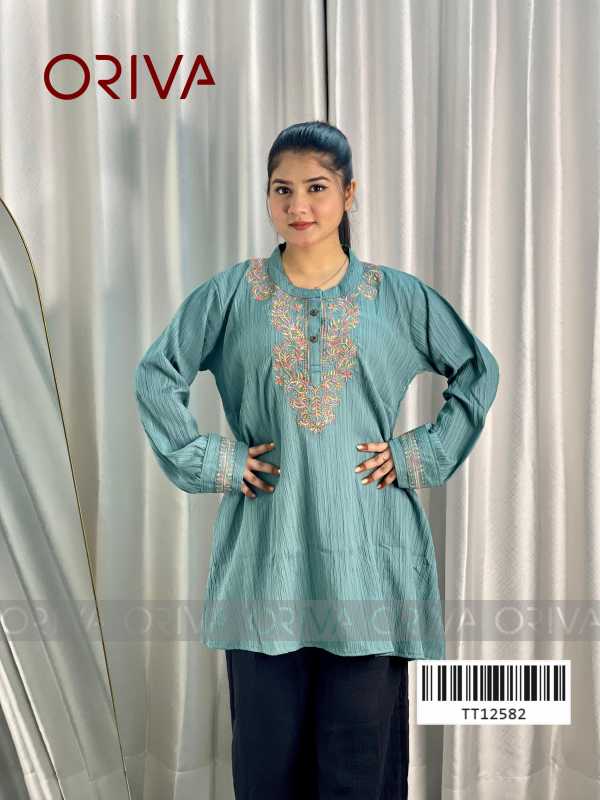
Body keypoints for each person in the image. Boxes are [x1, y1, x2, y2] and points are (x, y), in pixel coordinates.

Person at [134, 120, 500, 799]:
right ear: (267, 197)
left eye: (316, 188)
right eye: (283, 190)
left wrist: (419, 453)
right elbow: (157, 375)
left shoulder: (396, 297)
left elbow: (478, 370)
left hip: (370, 563)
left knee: (360, 767)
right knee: (267, 768)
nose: (298, 205)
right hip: (265, 565)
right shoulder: (233, 295)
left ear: (348, 194)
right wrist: (213, 460)